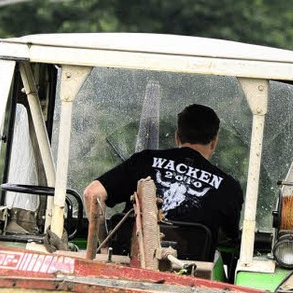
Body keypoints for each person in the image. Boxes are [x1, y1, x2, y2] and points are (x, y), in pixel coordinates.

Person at [83, 104, 243, 252]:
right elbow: (228, 235)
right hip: (193, 273)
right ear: (214, 142)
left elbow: (92, 194)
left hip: (129, 262)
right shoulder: (229, 187)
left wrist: (104, 246)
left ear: (177, 137)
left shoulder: (144, 161)